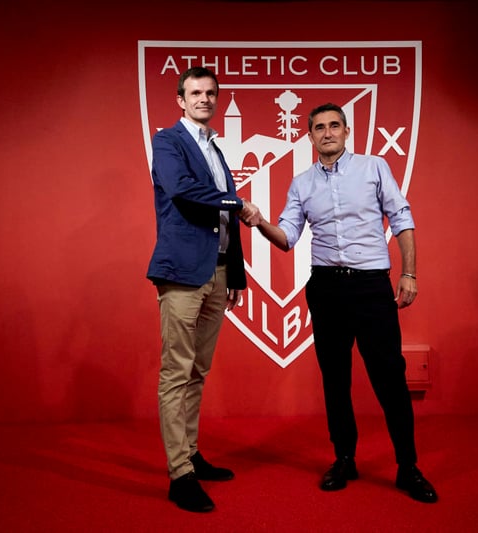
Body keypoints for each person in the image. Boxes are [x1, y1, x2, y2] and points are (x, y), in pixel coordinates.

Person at [243, 103, 438, 503]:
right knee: (335, 380)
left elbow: (401, 218)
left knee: (390, 377)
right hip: (326, 288)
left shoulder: (374, 167)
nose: (328, 132)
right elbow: (288, 238)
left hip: (371, 287)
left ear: (347, 132)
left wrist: (409, 273)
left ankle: (408, 467)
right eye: (319, 128)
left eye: (334, 126)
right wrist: (259, 221)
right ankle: (345, 459)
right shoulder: (301, 183)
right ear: (310, 137)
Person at [147, 66, 257, 513]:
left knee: (198, 371)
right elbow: (181, 189)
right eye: (195, 93)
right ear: (181, 99)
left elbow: (225, 222)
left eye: (211, 93)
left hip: (217, 272)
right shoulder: (168, 141)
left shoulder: (215, 148)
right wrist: (238, 200)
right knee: (176, 372)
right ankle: (180, 475)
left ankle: (191, 455)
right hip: (182, 271)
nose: (204, 99)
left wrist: (235, 275)